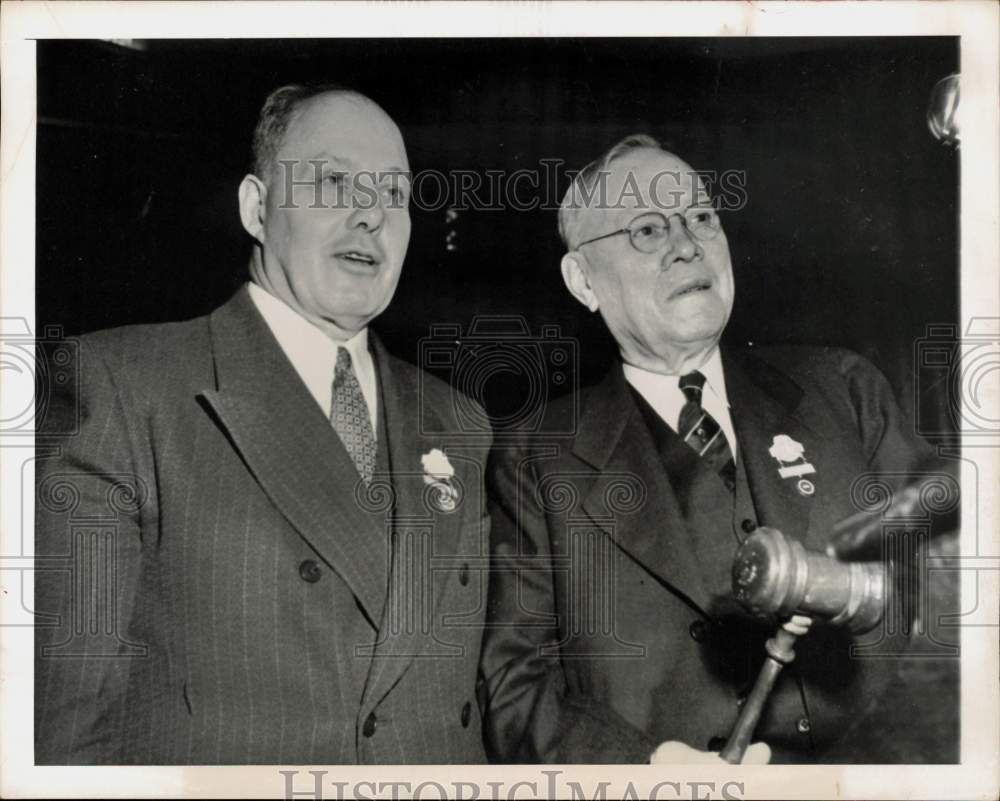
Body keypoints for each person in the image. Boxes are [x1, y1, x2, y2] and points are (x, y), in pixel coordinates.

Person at [34, 84, 491, 764]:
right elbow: (63, 729)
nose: (372, 213)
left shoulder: (460, 422)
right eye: (336, 181)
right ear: (257, 207)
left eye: (395, 193)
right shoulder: (123, 387)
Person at [480, 134, 931, 764]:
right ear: (583, 280)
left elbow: (962, 596)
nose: (687, 245)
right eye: (646, 230)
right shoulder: (534, 458)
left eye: (700, 217)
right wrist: (650, 773)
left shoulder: (845, 391)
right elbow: (514, 688)